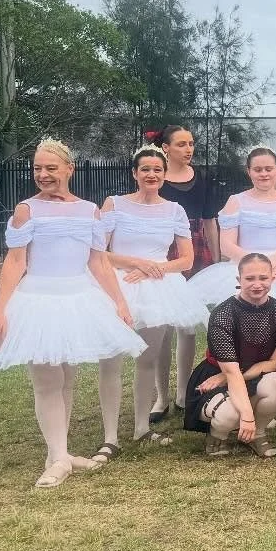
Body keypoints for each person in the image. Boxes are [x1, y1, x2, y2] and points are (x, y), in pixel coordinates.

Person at [0, 139, 146, 488]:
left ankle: (57, 453)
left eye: (50, 167)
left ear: (69, 169)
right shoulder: (27, 210)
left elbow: (98, 262)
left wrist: (119, 302)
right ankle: (60, 458)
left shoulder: (90, 211)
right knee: (47, 380)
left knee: (66, 375)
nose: (43, 174)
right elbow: (15, 262)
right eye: (37, 168)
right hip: (37, 299)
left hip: (77, 299)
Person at [96, 144, 209, 459]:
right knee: (112, 361)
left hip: (158, 287)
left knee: (146, 360)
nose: (151, 174)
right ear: (135, 173)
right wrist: (135, 262)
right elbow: (98, 252)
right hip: (118, 285)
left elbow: (186, 259)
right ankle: (110, 436)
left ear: (164, 175)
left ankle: (142, 427)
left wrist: (154, 268)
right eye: (145, 169)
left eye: (157, 170)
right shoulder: (114, 205)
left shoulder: (174, 209)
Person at [188, 147, 276, 313]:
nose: (264, 174)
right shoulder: (236, 201)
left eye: (268, 169)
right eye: (257, 169)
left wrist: (273, 261)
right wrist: (258, 265)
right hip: (244, 265)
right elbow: (226, 245)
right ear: (249, 171)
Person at [183, 253, 276, 457]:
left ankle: (258, 434)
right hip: (213, 375)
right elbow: (231, 371)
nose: (257, 284)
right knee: (231, 415)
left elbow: (275, 363)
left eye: (263, 278)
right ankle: (217, 436)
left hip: (251, 374)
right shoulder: (223, 314)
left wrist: (226, 377)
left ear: (272, 278)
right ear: (239, 280)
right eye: (250, 278)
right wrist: (246, 417)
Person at [151, 123, 221, 425]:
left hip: (197, 252)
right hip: (163, 251)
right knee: (163, 326)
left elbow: (209, 221)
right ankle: (161, 396)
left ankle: (182, 392)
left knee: (188, 325)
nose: (189, 149)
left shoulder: (200, 177)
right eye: (181, 144)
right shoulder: (155, 176)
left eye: (191, 143)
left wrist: (217, 260)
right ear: (165, 148)